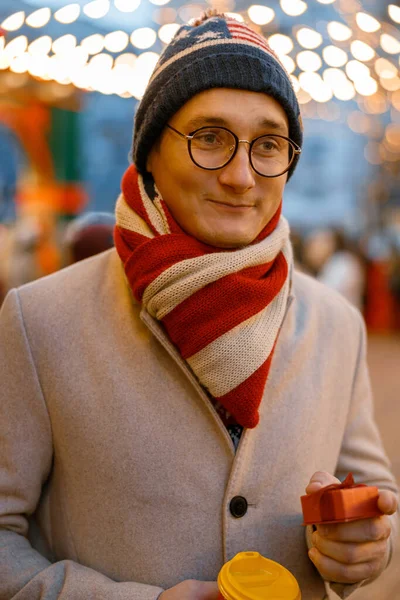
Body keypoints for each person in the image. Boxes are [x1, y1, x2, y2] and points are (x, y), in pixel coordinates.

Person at [0, 12, 398, 600]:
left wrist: (363, 546)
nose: (241, 175)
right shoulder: (40, 320)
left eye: (268, 145)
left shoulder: (337, 322)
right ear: (151, 153)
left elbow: (368, 491)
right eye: (209, 137)